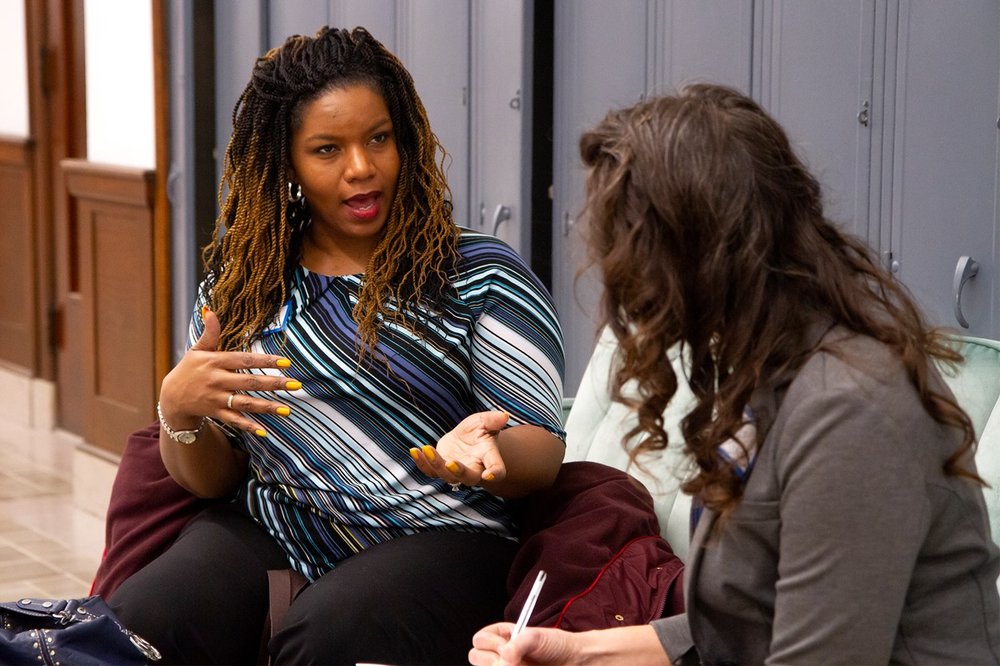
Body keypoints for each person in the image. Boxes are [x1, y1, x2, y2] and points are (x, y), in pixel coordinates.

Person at [470, 83, 1000, 664]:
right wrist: (574, 652)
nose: (625, 289)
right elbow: (737, 622)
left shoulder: (851, 413)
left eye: (633, 255)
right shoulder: (767, 372)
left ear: (698, 258)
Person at [109, 26, 566, 666]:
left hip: (446, 535)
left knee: (324, 636)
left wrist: (490, 452)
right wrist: (180, 413)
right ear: (286, 163)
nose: (361, 167)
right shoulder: (244, 281)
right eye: (327, 149)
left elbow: (542, 451)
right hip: (275, 528)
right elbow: (213, 481)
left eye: (378, 138)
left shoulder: (481, 274)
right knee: (143, 620)